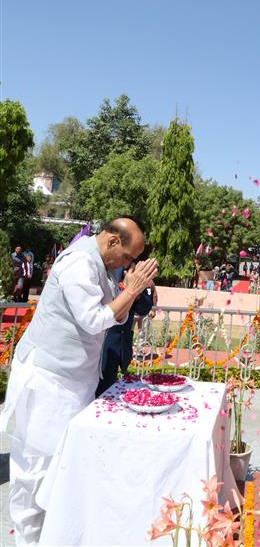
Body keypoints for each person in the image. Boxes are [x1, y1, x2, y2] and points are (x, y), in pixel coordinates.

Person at [1, 216, 157, 546]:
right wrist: (130, 290)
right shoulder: (78, 263)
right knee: (37, 469)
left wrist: (127, 291)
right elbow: (94, 319)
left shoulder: (105, 267)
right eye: (129, 257)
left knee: (64, 467)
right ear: (113, 241)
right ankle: (27, 541)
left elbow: (117, 311)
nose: (129, 264)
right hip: (49, 379)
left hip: (75, 381)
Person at [95, 268, 157, 397]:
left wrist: (137, 293)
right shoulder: (106, 270)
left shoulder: (136, 274)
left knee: (111, 388)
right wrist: (127, 290)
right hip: (103, 343)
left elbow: (143, 309)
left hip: (122, 343)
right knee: (99, 391)